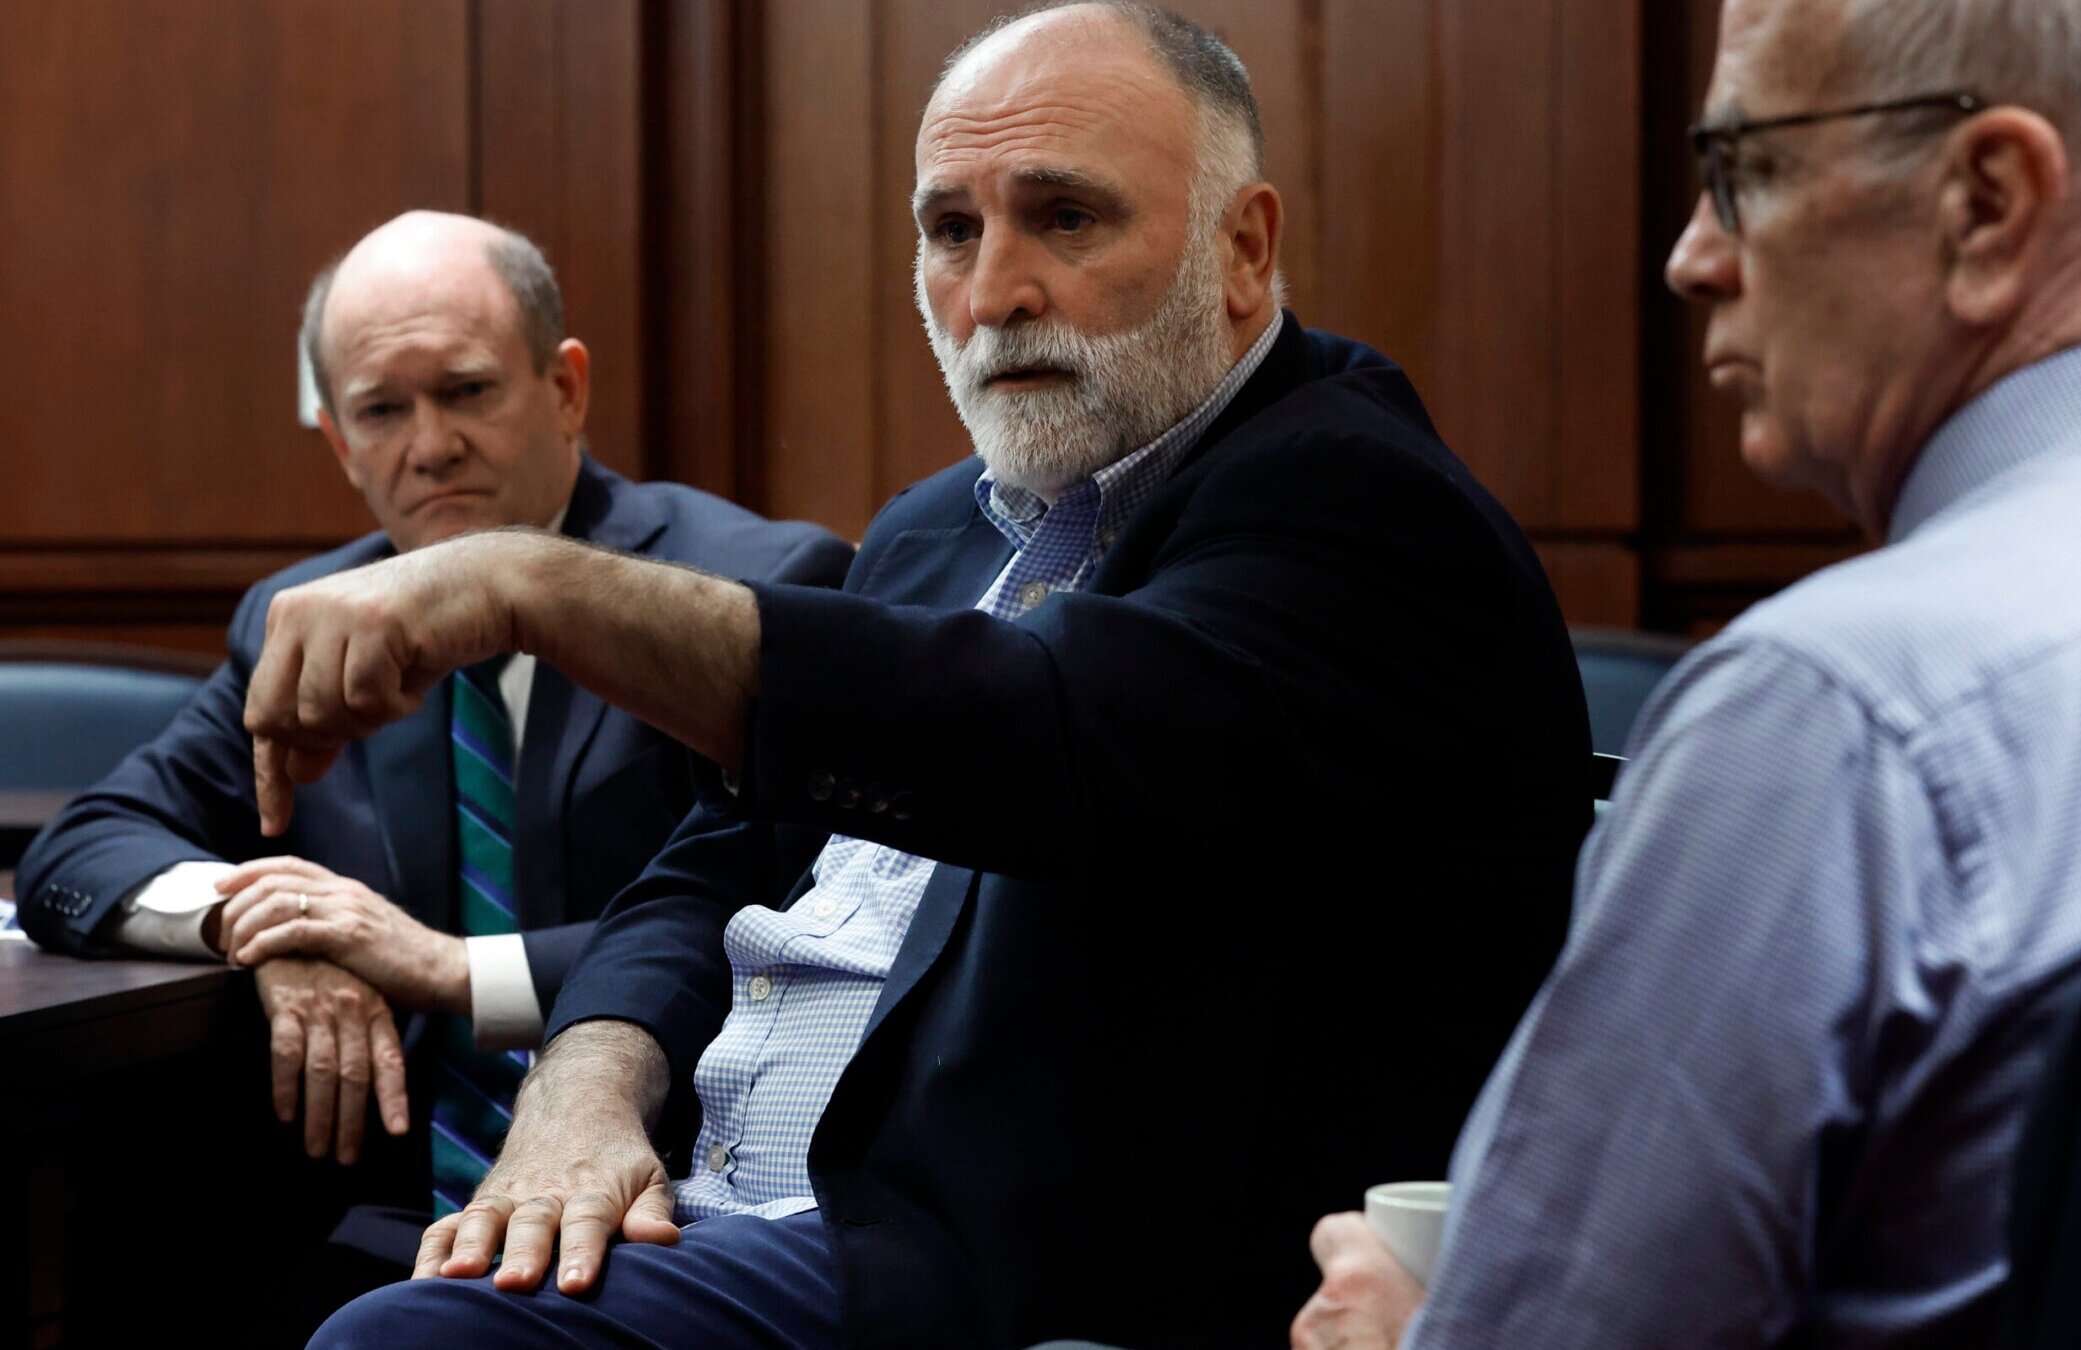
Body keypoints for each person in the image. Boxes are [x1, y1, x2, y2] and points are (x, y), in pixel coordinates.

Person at [263, 6, 1590, 1347]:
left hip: (978, 1265)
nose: (996, 291)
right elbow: (713, 857)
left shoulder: (1357, 504)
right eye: (951, 231)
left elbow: (1034, 729)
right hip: (711, 1200)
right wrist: (590, 1073)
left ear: (1242, 250)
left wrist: (532, 582)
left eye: (1064, 218)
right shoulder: (931, 529)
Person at [1291, 0, 2081, 1345]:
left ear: (1987, 202)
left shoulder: (1834, 715)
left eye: (1743, 169)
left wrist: (1413, 1325)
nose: (1692, 257)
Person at [13, 211, 854, 1302]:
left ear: (565, 390)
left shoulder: (744, 596)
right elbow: (83, 848)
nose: (430, 445)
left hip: (671, 1218)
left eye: (465, 392)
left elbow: (791, 922)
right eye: (381, 410)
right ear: (340, 442)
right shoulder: (301, 618)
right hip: (380, 1224)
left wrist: (447, 970)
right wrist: (259, 924)